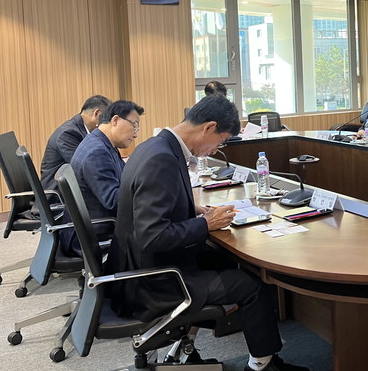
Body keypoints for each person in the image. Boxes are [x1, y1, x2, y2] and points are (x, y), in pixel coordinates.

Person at [106, 95, 307, 371]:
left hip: (139, 266)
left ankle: (195, 346)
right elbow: (152, 237)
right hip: (153, 281)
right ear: (209, 127)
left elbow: (147, 210)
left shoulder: (154, 146)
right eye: (220, 141)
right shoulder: (162, 159)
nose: (215, 150)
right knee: (253, 285)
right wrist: (206, 224)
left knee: (230, 262)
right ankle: (263, 365)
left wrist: (192, 209)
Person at [64, 100, 144, 256]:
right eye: (134, 126)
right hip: (94, 235)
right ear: (115, 120)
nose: (135, 134)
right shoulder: (97, 152)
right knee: (161, 238)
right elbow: (114, 202)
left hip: (96, 226)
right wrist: (149, 193)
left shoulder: (102, 143)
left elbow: (124, 177)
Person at [40, 95, 112, 191]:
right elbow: (85, 167)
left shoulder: (81, 130)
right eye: (107, 119)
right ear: (97, 113)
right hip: (58, 194)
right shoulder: (68, 134)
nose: (108, 124)